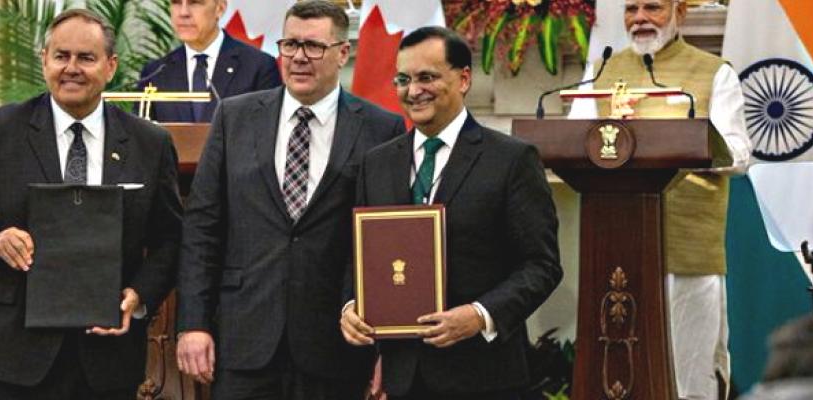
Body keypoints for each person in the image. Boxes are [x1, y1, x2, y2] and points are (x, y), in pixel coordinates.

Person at [0, 9, 182, 399]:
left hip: (109, 357)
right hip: (17, 355)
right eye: (61, 56)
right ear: (44, 60)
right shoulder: (0, 131)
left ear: (111, 66)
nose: (71, 68)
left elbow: (170, 239)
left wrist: (138, 296)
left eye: (86, 57)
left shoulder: (150, 143)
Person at [174, 1, 405, 399]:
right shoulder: (235, 117)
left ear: (342, 53)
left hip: (336, 347)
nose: (298, 57)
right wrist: (193, 323)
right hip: (243, 341)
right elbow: (202, 228)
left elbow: (385, 242)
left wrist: (388, 343)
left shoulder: (381, 129)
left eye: (313, 46)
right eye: (290, 44)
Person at [340, 26, 562, 399]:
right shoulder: (376, 163)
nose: (413, 91)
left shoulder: (511, 159)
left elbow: (542, 265)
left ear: (463, 79)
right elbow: (359, 254)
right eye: (403, 80)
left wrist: (478, 315)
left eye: (427, 77)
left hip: (484, 377)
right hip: (403, 379)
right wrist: (351, 306)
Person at [569, 0, 752, 398]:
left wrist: (680, 142)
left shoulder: (713, 71)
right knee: (619, 375)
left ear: (679, 13)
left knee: (690, 376)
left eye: (653, 7)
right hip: (615, 249)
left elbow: (739, 156)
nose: (640, 18)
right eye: (631, 9)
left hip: (688, 250)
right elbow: (572, 143)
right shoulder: (602, 71)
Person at [136, 0, 280, 122]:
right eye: (176, 2)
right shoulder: (155, 72)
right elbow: (141, 137)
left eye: (195, 3)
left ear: (220, 9)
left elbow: (267, 133)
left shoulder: (258, 67)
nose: (183, 13)